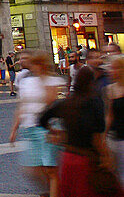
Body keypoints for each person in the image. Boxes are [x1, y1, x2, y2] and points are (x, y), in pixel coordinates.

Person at [41, 65, 118, 197]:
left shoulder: (67, 103)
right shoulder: (94, 102)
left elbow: (42, 119)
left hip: (68, 158)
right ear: (91, 82)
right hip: (87, 159)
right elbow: (97, 136)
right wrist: (106, 156)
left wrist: (54, 131)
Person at [9, 51, 61, 197]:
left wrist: (43, 78)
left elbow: (51, 101)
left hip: (47, 128)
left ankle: (52, 192)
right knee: (32, 168)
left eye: (37, 64)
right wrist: (14, 128)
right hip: (29, 127)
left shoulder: (51, 80)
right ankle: (49, 191)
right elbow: (22, 105)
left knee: (50, 169)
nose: (34, 67)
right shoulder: (25, 81)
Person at [106, 55, 124, 183]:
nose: (111, 71)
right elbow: (109, 115)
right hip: (116, 137)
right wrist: (103, 136)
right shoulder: (110, 89)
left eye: (115, 68)